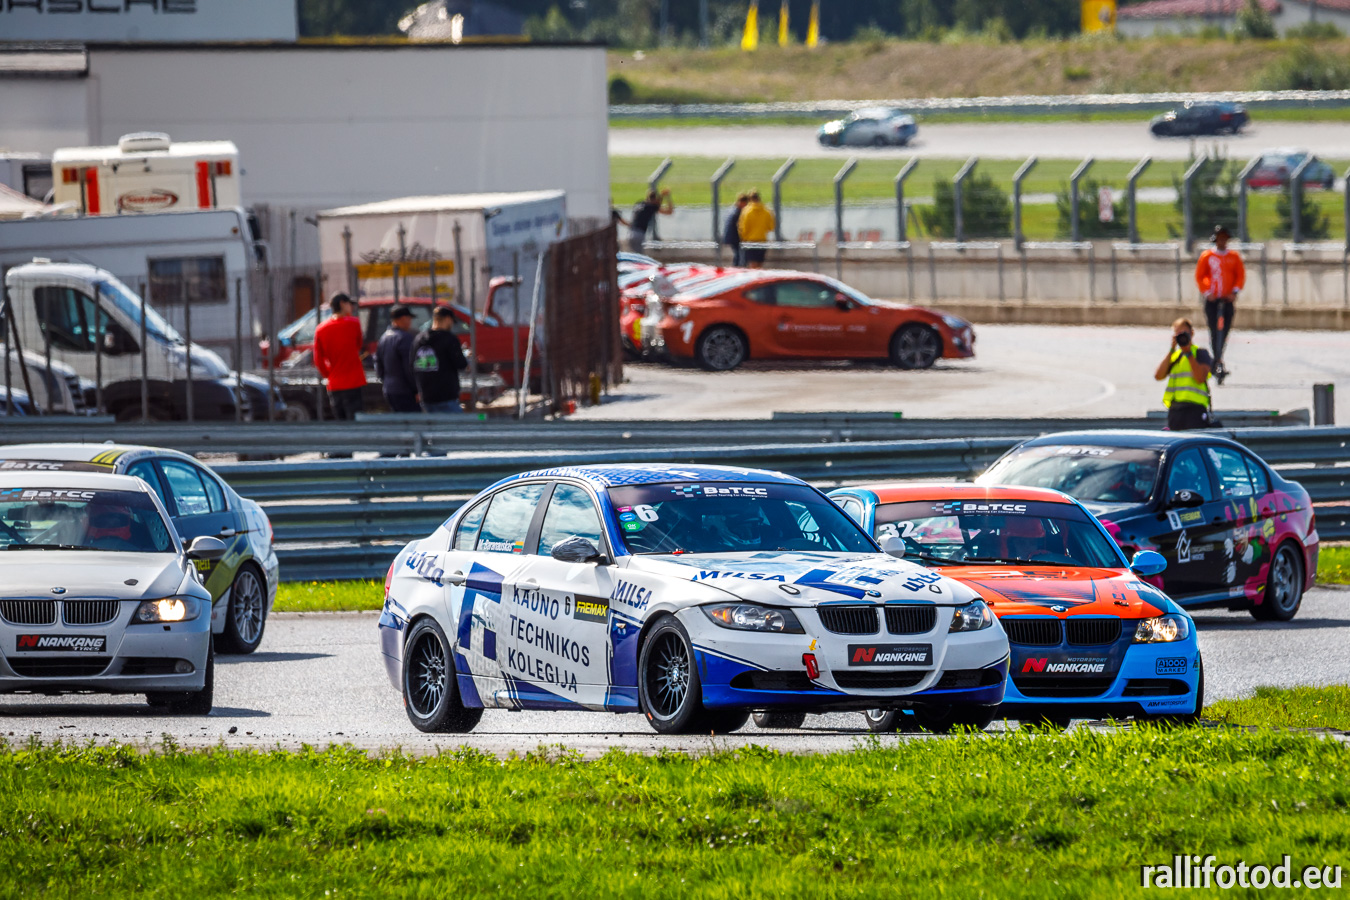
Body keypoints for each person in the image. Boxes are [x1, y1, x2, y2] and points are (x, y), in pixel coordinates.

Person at [1194, 224, 1244, 384]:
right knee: (1214, 331)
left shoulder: (1234, 257)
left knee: (1225, 330)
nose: (1222, 241)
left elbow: (1240, 276)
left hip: (1227, 299)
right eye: (1219, 238)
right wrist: (1208, 292)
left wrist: (1234, 292)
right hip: (1213, 300)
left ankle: (1217, 359)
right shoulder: (1207, 256)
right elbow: (1200, 276)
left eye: (1224, 238)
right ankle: (1217, 360)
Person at [312, 292, 366, 421]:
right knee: (355, 419)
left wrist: (329, 375)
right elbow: (358, 345)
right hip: (354, 380)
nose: (351, 307)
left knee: (340, 421)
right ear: (342, 304)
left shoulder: (321, 329)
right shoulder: (354, 323)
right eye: (349, 304)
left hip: (334, 383)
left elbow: (318, 359)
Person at [1154, 317, 1213, 432]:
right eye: (1177, 333)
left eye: (1184, 333)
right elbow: (1158, 376)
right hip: (1175, 410)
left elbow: (1200, 378)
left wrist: (1188, 353)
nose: (1181, 336)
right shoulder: (1175, 356)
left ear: (1192, 333)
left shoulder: (1200, 353)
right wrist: (1171, 349)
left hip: (1195, 409)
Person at [411, 306, 470, 414]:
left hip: (426, 396)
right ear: (447, 319)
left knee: (433, 424)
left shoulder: (419, 339)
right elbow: (461, 364)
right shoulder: (449, 339)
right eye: (451, 321)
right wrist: (467, 358)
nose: (451, 325)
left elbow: (412, 365)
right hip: (446, 395)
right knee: (457, 423)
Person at [375, 305, 420, 413]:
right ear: (403, 318)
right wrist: (416, 390)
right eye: (409, 319)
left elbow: (378, 365)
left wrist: (385, 381)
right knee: (413, 420)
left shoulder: (384, 337)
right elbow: (409, 367)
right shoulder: (405, 338)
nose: (410, 322)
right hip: (405, 390)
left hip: (389, 389)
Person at [738, 190, 776, 268]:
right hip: (762, 240)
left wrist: (743, 238)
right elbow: (771, 227)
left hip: (750, 241)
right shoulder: (767, 211)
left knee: (752, 264)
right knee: (759, 264)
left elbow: (743, 228)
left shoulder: (746, 212)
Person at [628, 188, 673, 252]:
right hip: (639, 234)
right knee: (639, 256)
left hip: (631, 233)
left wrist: (661, 196)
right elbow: (669, 212)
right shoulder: (651, 206)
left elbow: (656, 203)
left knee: (634, 254)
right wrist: (667, 197)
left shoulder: (639, 203)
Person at [723, 192, 749, 266]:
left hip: (731, 236)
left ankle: (736, 267)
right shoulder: (738, 212)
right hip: (735, 237)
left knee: (738, 254)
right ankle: (737, 268)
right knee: (739, 255)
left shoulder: (733, 210)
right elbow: (740, 226)